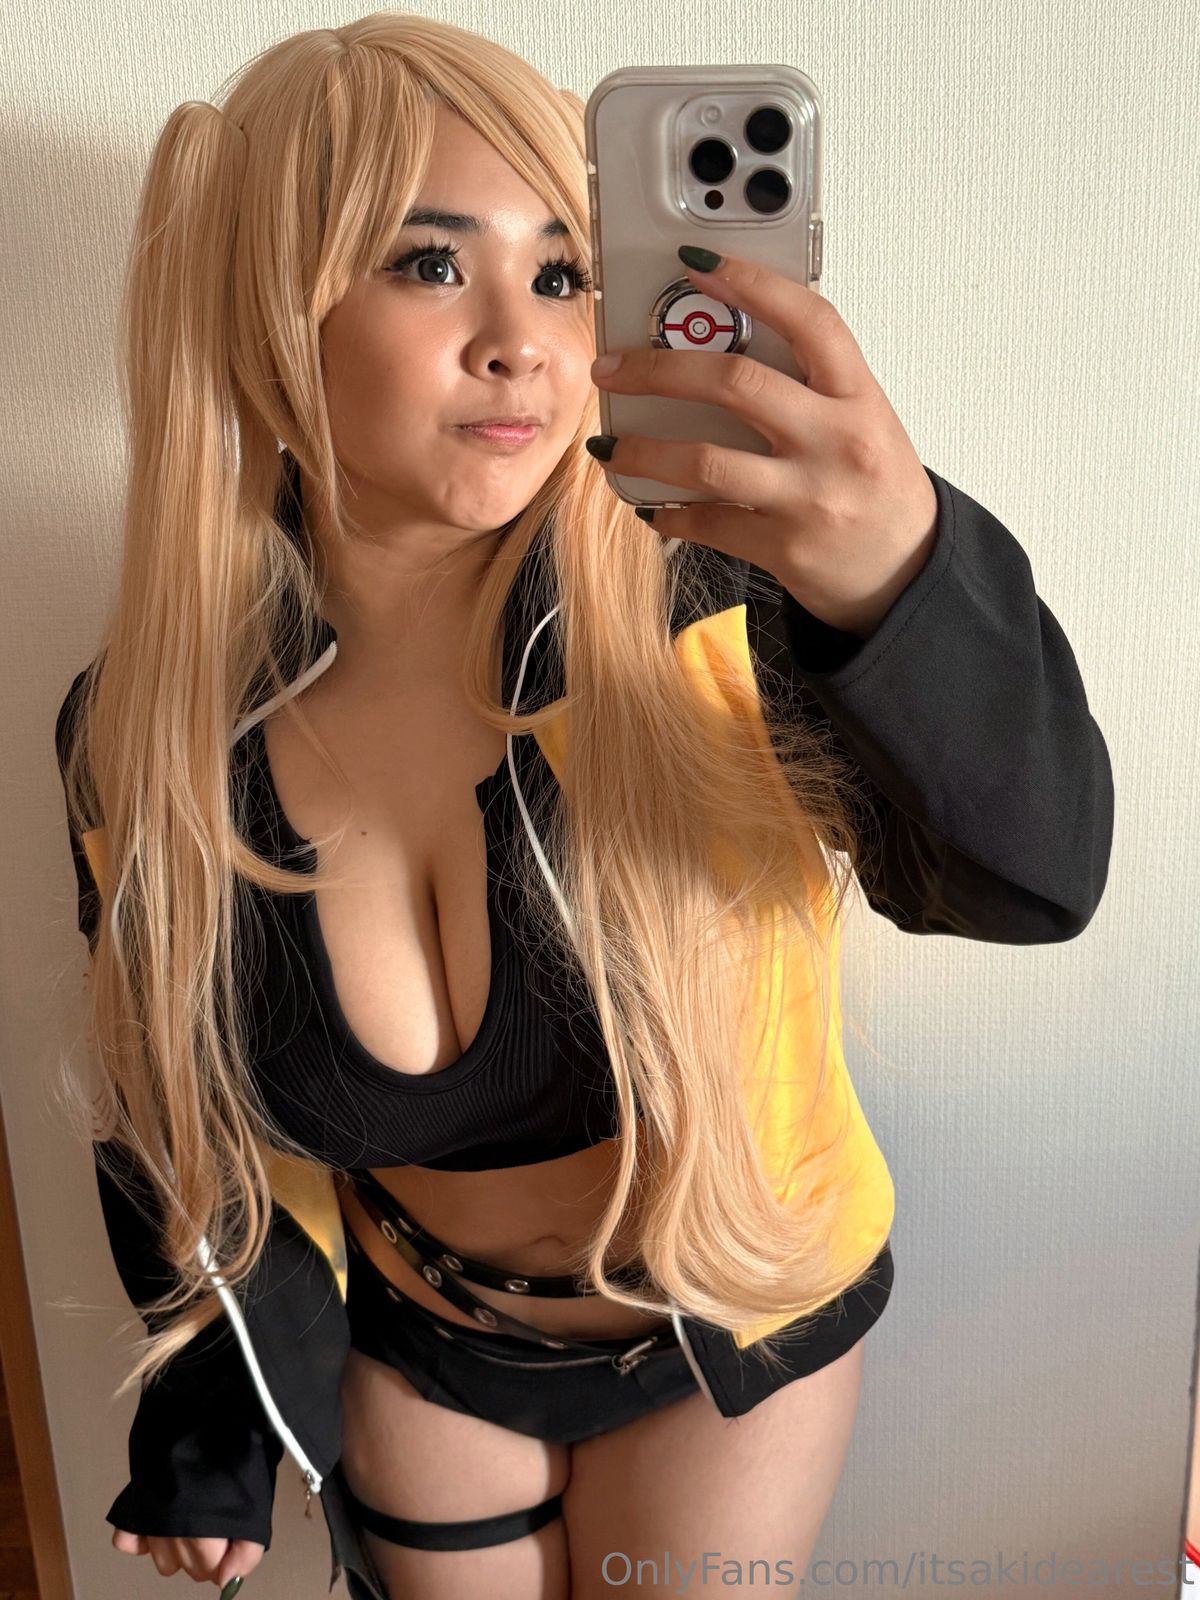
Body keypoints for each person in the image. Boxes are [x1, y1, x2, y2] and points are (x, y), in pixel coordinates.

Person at [53, 13, 1113, 1599]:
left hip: (722, 1345)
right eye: (430, 264)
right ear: (267, 309)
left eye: (563, 273)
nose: (523, 341)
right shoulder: (147, 735)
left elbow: (1032, 879)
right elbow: (170, 1114)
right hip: (425, 1356)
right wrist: (212, 1430)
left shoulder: (719, 610)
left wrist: (897, 578)